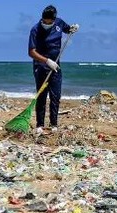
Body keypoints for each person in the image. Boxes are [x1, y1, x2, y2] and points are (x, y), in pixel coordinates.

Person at [27, 5, 78, 133]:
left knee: (55, 95)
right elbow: (31, 52)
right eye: (45, 21)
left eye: (49, 21)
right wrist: (46, 61)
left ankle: (54, 124)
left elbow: (68, 29)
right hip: (41, 66)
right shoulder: (35, 29)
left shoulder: (59, 23)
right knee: (42, 95)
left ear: (53, 20)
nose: (46, 23)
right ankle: (39, 125)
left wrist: (73, 28)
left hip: (55, 65)